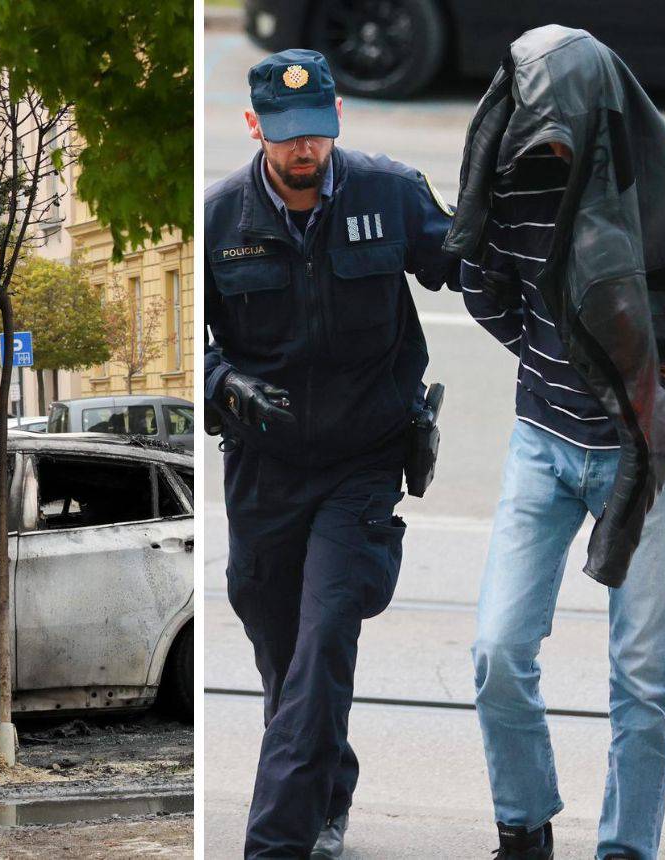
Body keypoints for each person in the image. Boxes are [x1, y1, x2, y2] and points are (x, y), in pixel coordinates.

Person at [446, 25, 665, 860]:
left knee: (643, 679)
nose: (545, 135)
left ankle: (626, 849)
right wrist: (565, 365)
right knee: (497, 651)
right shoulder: (510, 183)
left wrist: (642, 400)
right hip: (542, 444)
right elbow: (487, 291)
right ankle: (524, 827)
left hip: (651, 461)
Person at [203, 49, 457, 858]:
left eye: (315, 130)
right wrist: (223, 383)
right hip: (264, 470)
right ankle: (327, 791)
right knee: (282, 652)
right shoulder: (220, 219)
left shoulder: (389, 191)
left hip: (362, 462)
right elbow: (182, 344)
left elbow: (466, 265)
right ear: (255, 128)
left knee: (320, 646)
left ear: (336, 117)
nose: (303, 149)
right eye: (285, 135)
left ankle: (275, 842)